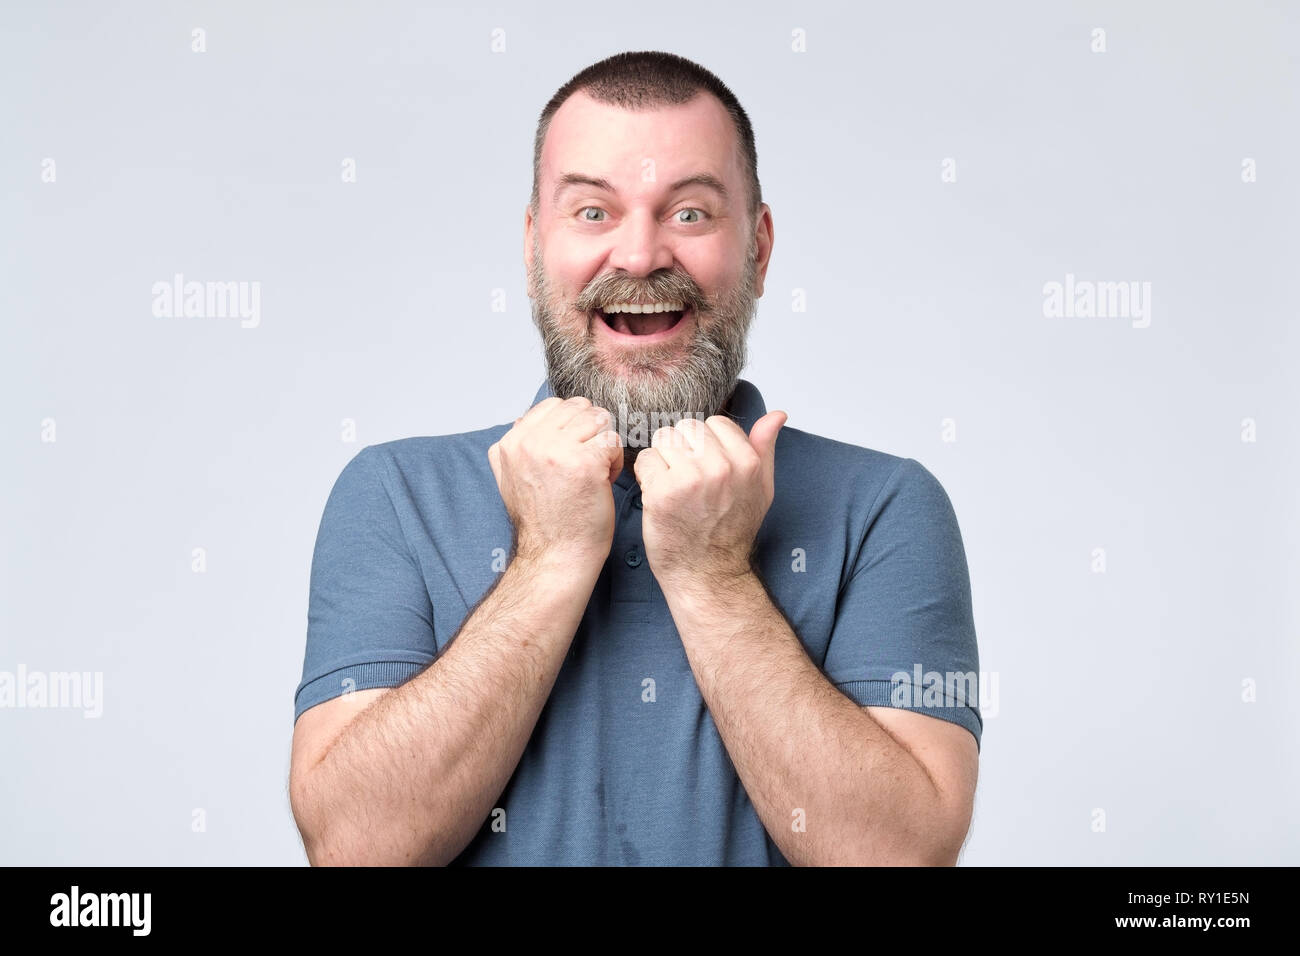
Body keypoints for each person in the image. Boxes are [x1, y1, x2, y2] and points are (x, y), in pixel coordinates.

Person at [289, 50, 982, 866]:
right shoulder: (394, 496)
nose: (641, 254)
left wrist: (711, 574)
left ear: (758, 251)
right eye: (592, 213)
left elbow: (897, 858)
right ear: (533, 244)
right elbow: (356, 848)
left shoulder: (886, 508)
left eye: (689, 213)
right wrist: (548, 557)